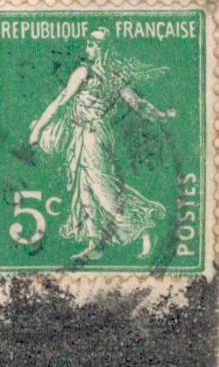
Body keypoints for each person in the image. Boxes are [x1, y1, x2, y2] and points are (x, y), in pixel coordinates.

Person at [28, 27, 176, 261]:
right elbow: (139, 104)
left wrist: (37, 129)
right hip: (87, 133)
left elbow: (61, 101)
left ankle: (144, 227)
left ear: (104, 48)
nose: (90, 47)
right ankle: (94, 243)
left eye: (95, 44)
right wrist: (161, 114)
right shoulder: (111, 77)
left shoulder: (85, 73)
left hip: (92, 135)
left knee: (103, 189)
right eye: (90, 43)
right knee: (84, 187)